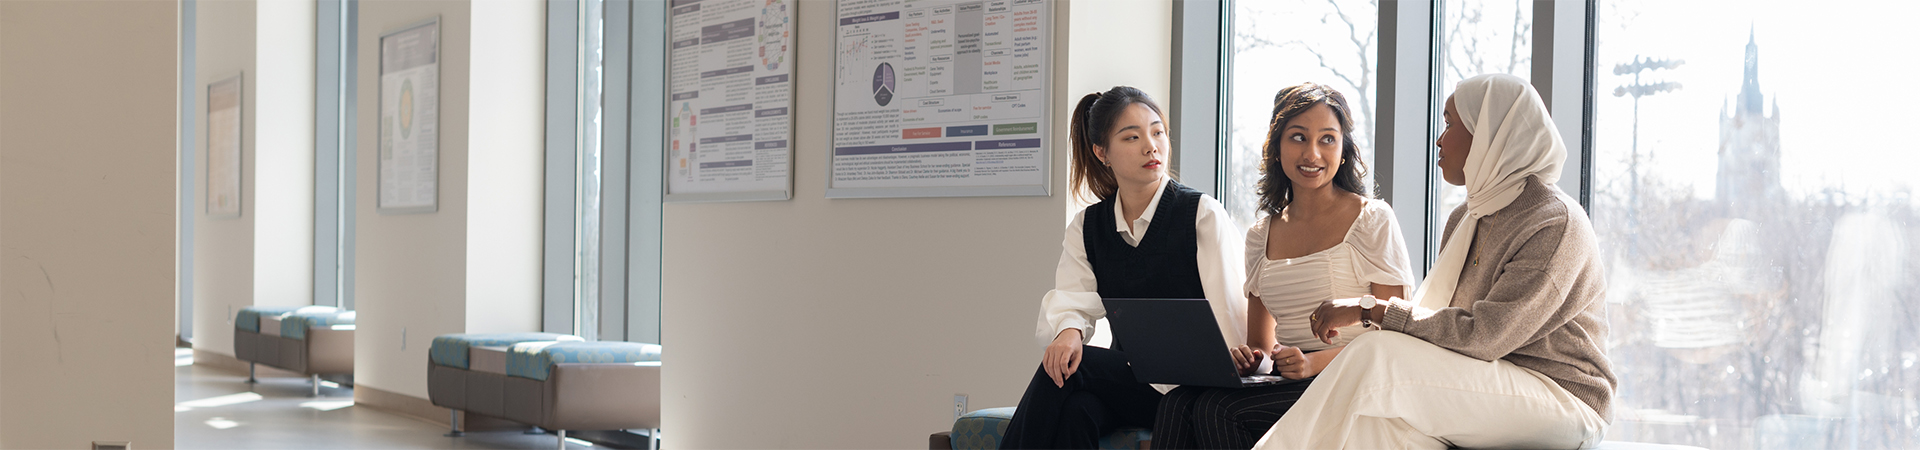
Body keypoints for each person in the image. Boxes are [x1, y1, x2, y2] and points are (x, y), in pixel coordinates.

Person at [1253, 73, 1616, 450]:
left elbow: (1485, 337)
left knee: (1377, 354)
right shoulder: (1468, 217)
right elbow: (1449, 327)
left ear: (1488, 133)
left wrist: (1372, 310)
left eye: (1449, 123)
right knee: (1377, 429)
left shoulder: (1553, 222)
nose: (1440, 139)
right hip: (1488, 381)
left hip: (1561, 399)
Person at [1151, 83, 1415, 449]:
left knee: (1218, 409)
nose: (1312, 153)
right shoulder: (1261, 234)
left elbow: (1397, 335)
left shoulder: (1371, 219)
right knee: (1177, 402)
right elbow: (1261, 345)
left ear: (1344, 149)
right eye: (1298, 137)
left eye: (1327, 139)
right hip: (1290, 380)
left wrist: (1312, 364)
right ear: (1276, 146)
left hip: (1354, 379)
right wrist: (1250, 360)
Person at [999, 86, 1250, 449]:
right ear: (1102, 152)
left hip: (1193, 392)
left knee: (1077, 367)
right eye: (1132, 137)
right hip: (1134, 385)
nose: (1151, 146)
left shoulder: (1201, 215)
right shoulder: (1088, 226)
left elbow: (1231, 315)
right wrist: (1069, 330)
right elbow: (1073, 296)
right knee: (1076, 410)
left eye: (1157, 131)